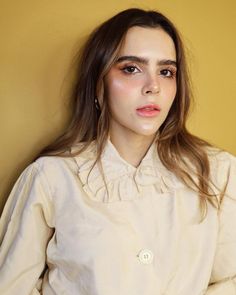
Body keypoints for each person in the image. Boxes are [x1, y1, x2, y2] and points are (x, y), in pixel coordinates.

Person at [0, 8, 235, 295]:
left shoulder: (218, 173)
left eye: (166, 72)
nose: (153, 87)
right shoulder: (51, 177)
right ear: (99, 83)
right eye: (131, 68)